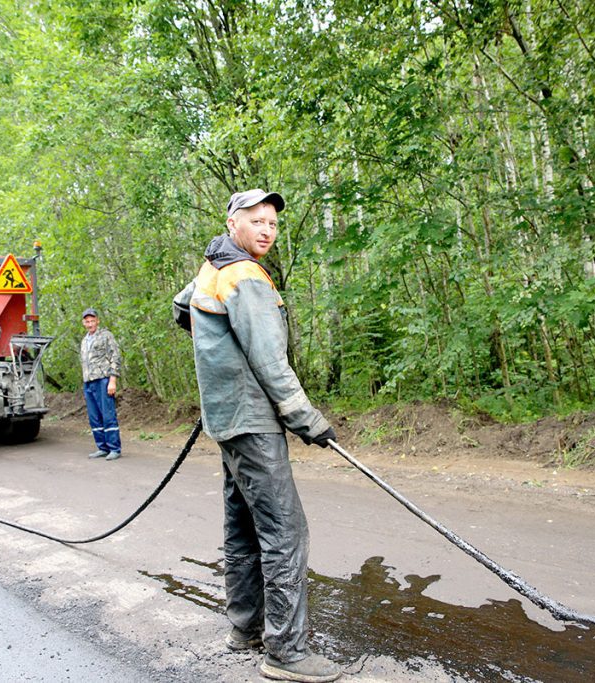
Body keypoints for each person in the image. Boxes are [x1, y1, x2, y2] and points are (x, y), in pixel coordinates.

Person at [173, 189, 342, 683]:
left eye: (273, 223)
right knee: (285, 532)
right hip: (252, 420)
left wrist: (217, 356)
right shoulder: (245, 275)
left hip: (227, 421)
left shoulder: (214, 268)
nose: (268, 230)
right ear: (233, 224)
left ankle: (245, 626)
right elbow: (271, 362)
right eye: (257, 221)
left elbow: (182, 307)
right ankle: (286, 652)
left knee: (244, 526)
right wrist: (308, 420)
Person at [80, 307, 123, 461]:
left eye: (92, 321)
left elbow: (115, 357)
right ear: (83, 323)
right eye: (87, 321)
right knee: (94, 417)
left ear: (97, 321)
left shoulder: (106, 336)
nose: (90, 324)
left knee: (108, 414)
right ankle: (102, 447)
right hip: (89, 382)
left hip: (103, 380)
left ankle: (114, 448)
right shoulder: (85, 340)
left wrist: (112, 380)